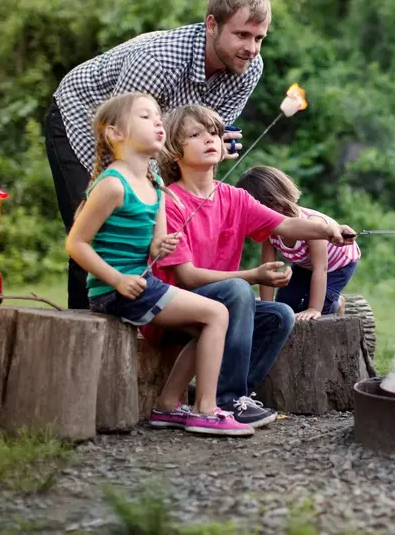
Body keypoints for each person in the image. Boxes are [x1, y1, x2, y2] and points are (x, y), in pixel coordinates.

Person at [46, 0, 270, 310]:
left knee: (154, 234)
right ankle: (87, 330)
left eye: (259, 38)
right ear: (211, 25)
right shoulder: (157, 60)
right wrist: (154, 191)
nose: (251, 48)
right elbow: (125, 139)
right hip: (85, 118)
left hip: (150, 137)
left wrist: (212, 148)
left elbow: (202, 137)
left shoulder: (249, 69)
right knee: (100, 234)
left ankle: (150, 323)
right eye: (241, 35)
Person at [151, 105, 359, 426]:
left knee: (279, 315)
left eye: (214, 134)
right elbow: (185, 277)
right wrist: (251, 276)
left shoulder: (235, 198)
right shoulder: (170, 202)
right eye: (195, 135)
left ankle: (232, 392)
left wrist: (328, 230)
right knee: (238, 290)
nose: (209, 140)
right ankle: (228, 400)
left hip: (218, 305)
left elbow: (287, 225)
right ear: (174, 151)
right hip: (176, 305)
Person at [65, 93, 253, 436]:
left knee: (205, 325)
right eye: (145, 116)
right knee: (217, 314)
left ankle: (168, 404)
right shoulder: (112, 184)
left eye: (157, 116)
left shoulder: (155, 185)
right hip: (114, 290)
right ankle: (206, 410)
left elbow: (154, 247)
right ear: (115, 134)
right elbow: (75, 244)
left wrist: (161, 246)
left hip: (140, 285)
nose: (157, 122)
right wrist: (118, 279)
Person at [236, 165, 362, 320]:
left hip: (337, 265)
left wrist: (314, 308)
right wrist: (267, 306)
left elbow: (320, 268)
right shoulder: (269, 230)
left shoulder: (311, 225)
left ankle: (338, 302)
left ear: (279, 199)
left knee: (320, 308)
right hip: (305, 265)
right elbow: (268, 270)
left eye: (270, 204)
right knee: (285, 302)